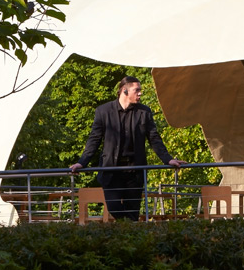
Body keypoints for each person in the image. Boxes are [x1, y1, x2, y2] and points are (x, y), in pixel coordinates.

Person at [70, 76, 183, 221]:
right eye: (137, 90)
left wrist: (168, 160)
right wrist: (82, 162)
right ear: (124, 91)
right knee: (114, 208)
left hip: (134, 171)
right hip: (111, 170)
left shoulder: (144, 112)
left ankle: (129, 236)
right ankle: (126, 227)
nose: (140, 93)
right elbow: (94, 140)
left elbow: (154, 138)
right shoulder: (103, 111)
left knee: (133, 213)